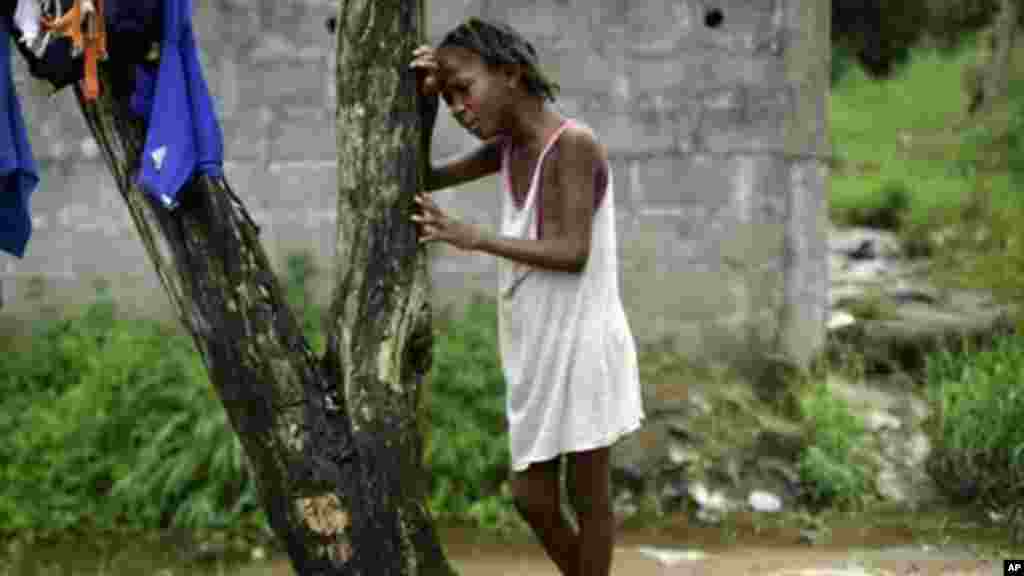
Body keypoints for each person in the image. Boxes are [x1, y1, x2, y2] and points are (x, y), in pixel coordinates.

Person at [409, 17, 644, 576]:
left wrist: (474, 237)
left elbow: (572, 251)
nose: (459, 109)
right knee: (532, 497)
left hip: (582, 343)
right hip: (536, 345)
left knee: (587, 497)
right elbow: (422, 174)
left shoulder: (572, 145)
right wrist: (419, 106)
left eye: (463, 89)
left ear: (510, 74)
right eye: (448, 100)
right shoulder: (507, 148)